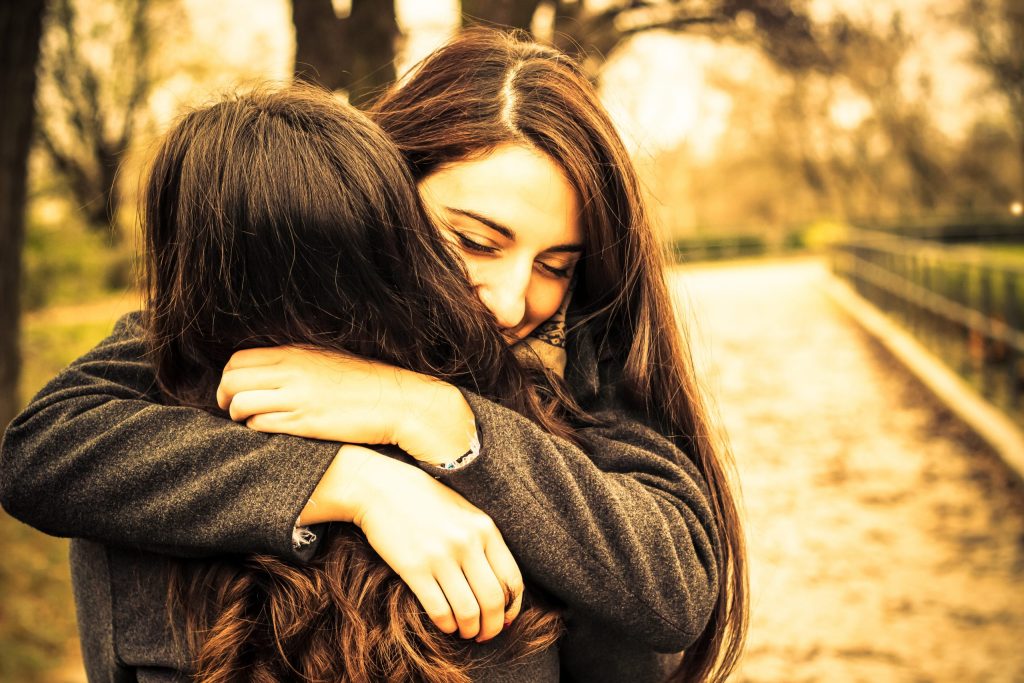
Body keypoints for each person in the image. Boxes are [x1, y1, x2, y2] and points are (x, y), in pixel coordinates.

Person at [1, 28, 747, 683]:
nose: (513, 301)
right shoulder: (241, 317)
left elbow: (675, 579)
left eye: (556, 265)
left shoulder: (575, 369)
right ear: (384, 192)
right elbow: (49, 445)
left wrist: (435, 416)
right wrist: (353, 482)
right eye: (476, 241)